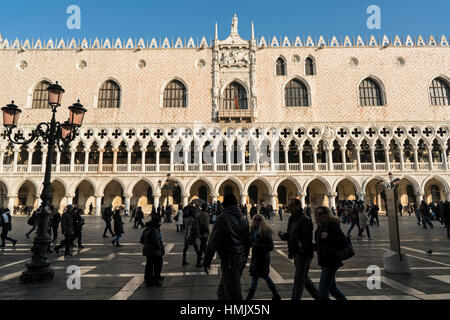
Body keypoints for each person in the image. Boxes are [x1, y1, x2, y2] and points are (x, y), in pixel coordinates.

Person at [204, 194, 252, 300]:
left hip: (229, 259)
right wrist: (244, 258)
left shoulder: (222, 219)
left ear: (225, 205)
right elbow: (248, 242)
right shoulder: (244, 220)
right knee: (223, 292)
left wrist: (207, 261)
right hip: (239, 259)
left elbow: (213, 242)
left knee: (234, 293)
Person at [279, 199, 319, 300]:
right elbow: (292, 234)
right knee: (304, 278)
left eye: (291, 206)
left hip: (303, 254)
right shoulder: (292, 218)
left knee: (298, 280)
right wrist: (285, 236)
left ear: (298, 206)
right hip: (296, 252)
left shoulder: (305, 220)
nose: (290, 208)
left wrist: (301, 251)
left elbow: (306, 239)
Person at [314, 206, 347, 300]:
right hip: (325, 261)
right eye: (316, 214)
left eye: (320, 213)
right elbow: (321, 244)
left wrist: (328, 237)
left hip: (331, 261)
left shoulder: (332, 225)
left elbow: (343, 241)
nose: (318, 216)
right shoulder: (321, 226)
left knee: (323, 291)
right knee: (333, 289)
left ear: (326, 214)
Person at [246, 214, 281, 300]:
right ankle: (276, 295)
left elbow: (271, 246)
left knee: (261, 276)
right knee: (259, 276)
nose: (257, 221)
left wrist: (256, 245)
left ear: (262, 221)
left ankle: (249, 297)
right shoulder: (253, 230)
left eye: (259, 220)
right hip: (255, 258)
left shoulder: (266, 231)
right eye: (255, 219)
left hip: (263, 258)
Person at [141, 216, 165, 287]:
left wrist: (147, 243)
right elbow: (156, 241)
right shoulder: (155, 229)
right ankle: (156, 280)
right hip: (155, 250)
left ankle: (148, 280)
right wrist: (161, 249)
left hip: (147, 249)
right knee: (158, 265)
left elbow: (141, 240)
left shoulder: (146, 229)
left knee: (149, 265)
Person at [196, 203, 210, 268]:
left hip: (200, 232)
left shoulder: (198, 214)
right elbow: (206, 225)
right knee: (202, 248)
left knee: (203, 247)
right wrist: (208, 232)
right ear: (206, 207)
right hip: (204, 233)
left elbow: (197, 224)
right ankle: (198, 262)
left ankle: (206, 260)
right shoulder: (206, 214)